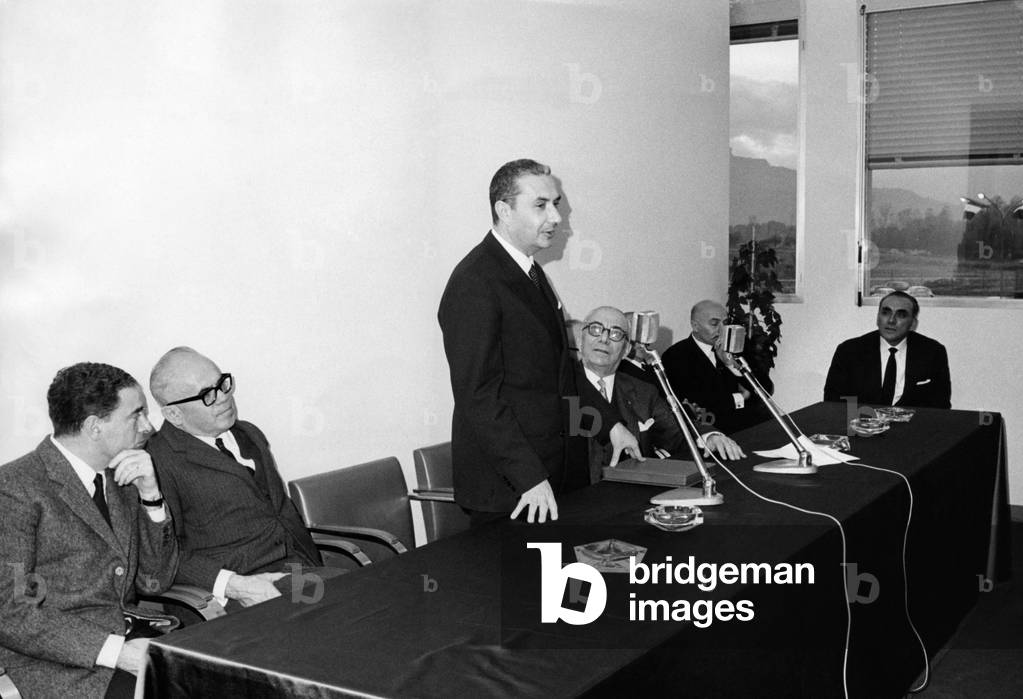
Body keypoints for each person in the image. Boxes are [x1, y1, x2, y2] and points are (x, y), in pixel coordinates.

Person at [438, 158, 641, 525]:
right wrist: (528, 476)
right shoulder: (475, 282)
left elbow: (563, 372)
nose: (556, 218)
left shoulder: (532, 273)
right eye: (540, 205)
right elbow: (479, 396)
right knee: (523, 584)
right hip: (512, 489)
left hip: (555, 474)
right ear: (504, 210)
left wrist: (610, 425)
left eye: (556, 204)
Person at [0, 363, 178, 699]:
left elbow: (157, 580)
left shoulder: (122, 476)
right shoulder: (15, 489)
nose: (149, 426)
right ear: (94, 427)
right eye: (136, 414)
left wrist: (152, 497)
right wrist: (117, 652)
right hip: (64, 663)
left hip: (132, 637)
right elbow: (13, 612)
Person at [147, 347, 323, 609]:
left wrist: (310, 565)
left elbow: (279, 511)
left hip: (298, 570)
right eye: (207, 395)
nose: (223, 398)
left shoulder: (248, 433)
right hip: (236, 593)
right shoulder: (156, 463)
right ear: (174, 414)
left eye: (222, 384)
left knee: (371, 605)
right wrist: (233, 584)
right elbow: (162, 558)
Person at [578, 306, 745, 483]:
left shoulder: (643, 391)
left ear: (626, 349)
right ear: (581, 340)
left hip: (630, 491)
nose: (603, 339)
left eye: (615, 334)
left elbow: (677, 431)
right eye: (595, 329)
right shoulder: (560, 389)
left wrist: (709, 437)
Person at [823, 291, 951, 408]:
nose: (891, 320)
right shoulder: (849, 351)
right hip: (861, 428)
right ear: (877, 318)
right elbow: (833, 403)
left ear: (913, 324)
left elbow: (941, 405)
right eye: (885, 313)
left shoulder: (933, 352)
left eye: (901, 315)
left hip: (912, 428)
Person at [661, 300, 767, 434]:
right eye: (714, 323)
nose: (722, 330)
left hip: (753, 423)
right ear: (695, 326)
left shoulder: (737, 347)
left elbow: (766, 388)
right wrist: (741, 397)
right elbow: (697, 406)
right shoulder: (676, 356)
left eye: (725, 323)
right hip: (715, 430)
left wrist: (730, 365)